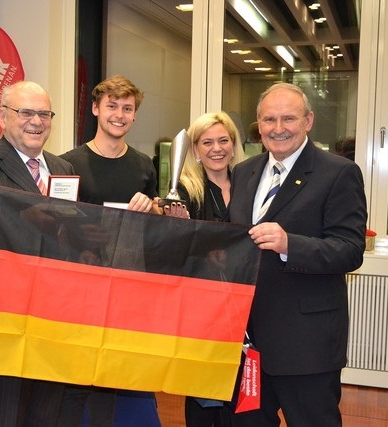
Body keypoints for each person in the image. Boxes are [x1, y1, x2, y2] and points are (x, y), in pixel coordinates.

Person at [227, 82, 367, 426]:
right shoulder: (244, 172)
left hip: (306, 344)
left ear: (309, 121)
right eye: (268, 120)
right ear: (257, 126)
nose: (277, 128)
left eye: (288, 118)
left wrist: (291, 244)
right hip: (248, 343)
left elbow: (350, 251)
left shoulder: (338, 173)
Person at [0, 81, 74, 426]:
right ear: (3, 117)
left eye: (44, 114)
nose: (37, 121)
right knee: (7, 416)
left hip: (53, 319)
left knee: (48, 415)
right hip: (3, 320)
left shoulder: (63, 169)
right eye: (26, 113)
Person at [58, 75, 161, 427]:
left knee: (126, 367)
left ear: (134, 115)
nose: (119, 114)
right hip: (82, 286)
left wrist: (153, 207)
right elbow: (56, 225)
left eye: (127, 108)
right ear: (95, 109)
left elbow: (157, 224)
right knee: (81, 374)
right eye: (112, 106)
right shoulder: (67, 163)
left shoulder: (145, 165)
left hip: (131, 284)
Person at [161, 112, 242, 426]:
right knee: (202, 393)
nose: (216, 148)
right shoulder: (183, 191)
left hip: (245, 302)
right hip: (203, 308)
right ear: (195, 150)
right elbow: (172, 252)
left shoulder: (249, 186)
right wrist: (182, 230)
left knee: (240, 392)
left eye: (223, 140)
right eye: (206, 142)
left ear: (233, 145)